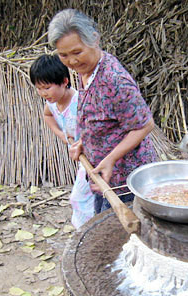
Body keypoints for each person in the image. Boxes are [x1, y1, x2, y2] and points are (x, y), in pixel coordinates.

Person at [48, 9, 158, 214]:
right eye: (63, 55)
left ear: (95, 40)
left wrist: (111, 158)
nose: (71, 62)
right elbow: (101, 120)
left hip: (127, 183)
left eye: (77, 52)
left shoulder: (115, 80)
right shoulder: (85, 72)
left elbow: (145, 125)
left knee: (125, 238)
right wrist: (84, 142)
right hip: (104, 178)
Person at [29, 54, 94, 229]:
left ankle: (87, 231)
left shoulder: (79, 102)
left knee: (79, 197)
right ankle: (88, 230)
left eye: (47, 88)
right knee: (88, 196)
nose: (43, 93)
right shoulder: (52, 103)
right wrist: (61, 134)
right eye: (39, 88)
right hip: (82, 159)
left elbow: (96, 129)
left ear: (65, 81)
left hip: (96, 158)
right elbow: (47, 115)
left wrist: (84, 144)